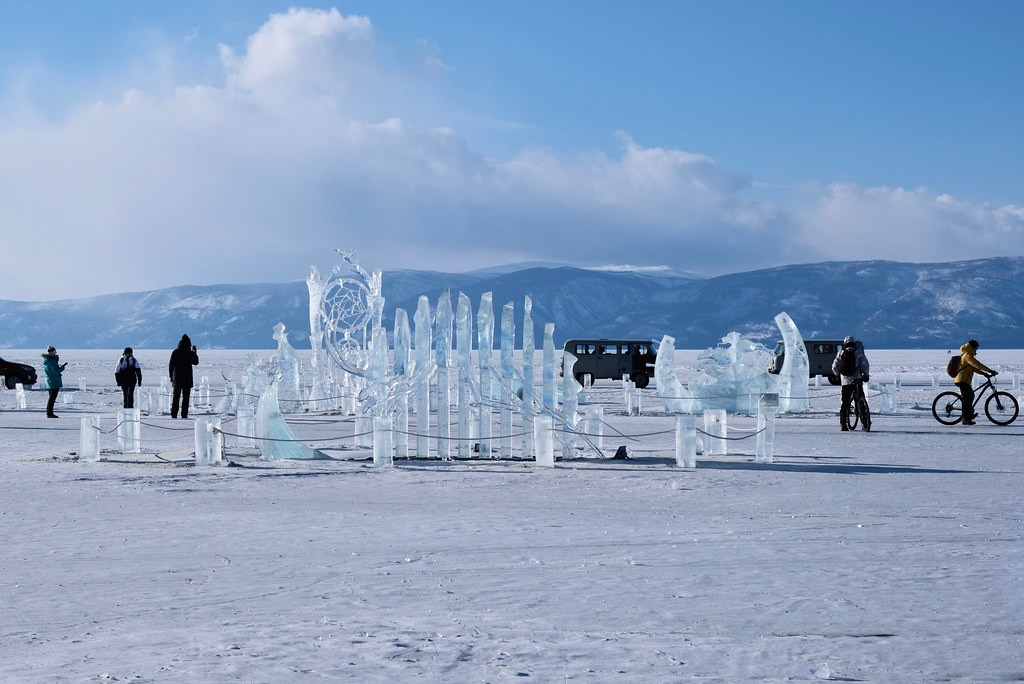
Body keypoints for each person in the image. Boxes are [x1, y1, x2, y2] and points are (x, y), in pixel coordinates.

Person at [832, 335, 870, 432]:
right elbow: (865, 364)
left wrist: (837, 375)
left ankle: (843, 424)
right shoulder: (858, 353)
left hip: (846, 381)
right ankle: (864, 419)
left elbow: (835, 366)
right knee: (860, 397)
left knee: (845, 403)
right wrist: (866, 375)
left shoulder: (841, 353)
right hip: (857, 380)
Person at [954, 339, 996, 426]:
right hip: (962, 380)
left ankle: (968, 415)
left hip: (964, 380)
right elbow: (977, 364)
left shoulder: (968, 355)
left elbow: (973, 368)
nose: (977, 350)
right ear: (972, 348)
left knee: (970, 396)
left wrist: (984, 373)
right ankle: (966, 418)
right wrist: (989, 370)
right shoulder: (967, 355)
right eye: (976, 348)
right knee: (967, 397)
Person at [168, 334, 199, 419]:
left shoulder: (175, 352)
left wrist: (171, 377)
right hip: (187, 379)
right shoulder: (189, 352)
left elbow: (171, 365)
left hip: (177, 378)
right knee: (186, 398)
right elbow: (196, 362)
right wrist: (195, 352)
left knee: (176, 397)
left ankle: (174, 414)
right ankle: (184, 414)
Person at [41, 346, 67, 418]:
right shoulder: (52, 361)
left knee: (51, 398)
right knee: (52, 398)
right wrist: (62, 368)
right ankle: (49, 413)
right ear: (52, 352)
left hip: (49, 380)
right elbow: (55, 371)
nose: (56, 353)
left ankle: (49, 412)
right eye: (55, 352)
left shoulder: (47, 360)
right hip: (54, 381)